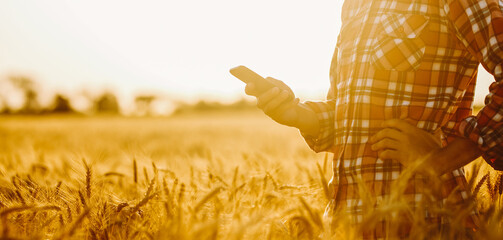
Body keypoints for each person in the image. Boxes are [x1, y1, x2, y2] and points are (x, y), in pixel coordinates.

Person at [243, 0, 503, 238]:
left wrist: (443, 159)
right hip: (347, 223)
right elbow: (351, 117)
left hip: (426, 222)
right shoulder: (355, 6)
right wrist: (298, 115)